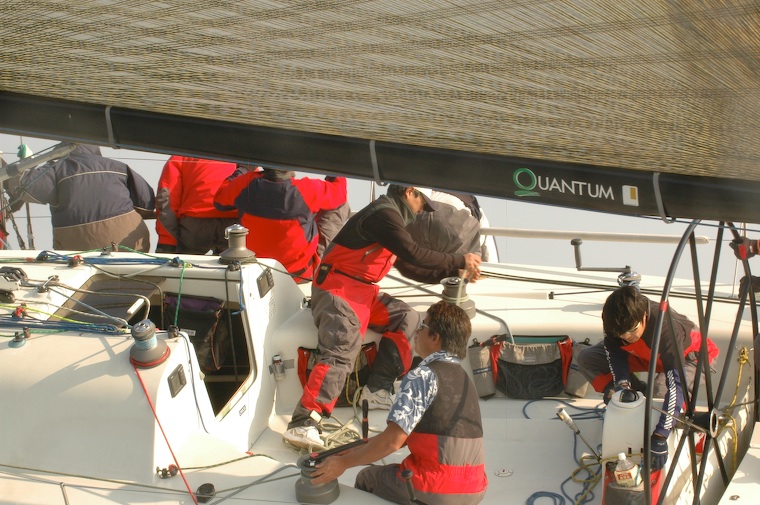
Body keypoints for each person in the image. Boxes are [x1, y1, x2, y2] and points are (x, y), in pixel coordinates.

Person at [282, 184, 481, 449]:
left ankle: (377, 389)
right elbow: (413, 253)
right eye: (422, 202)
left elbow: (410, 266)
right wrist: (459, 259)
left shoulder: (392, 219)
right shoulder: (383, 214)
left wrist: (455, 271)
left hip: (362, 292)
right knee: (342, 350)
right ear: (409, 192)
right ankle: (303, 421)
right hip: (337, 289)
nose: (422, 209)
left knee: (408, 318)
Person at [311, 300, 488, 505]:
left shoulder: (422, 376)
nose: (416, 332)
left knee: (367, 478)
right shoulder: (465, 380)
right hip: (475, 489)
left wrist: (342, 463)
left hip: (436, 488)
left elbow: (392, 442)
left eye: (422, 327)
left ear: (435, 337)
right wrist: (356, 450)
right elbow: (412, 433)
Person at [576, 286, 719, 471]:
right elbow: (616, 357)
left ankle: (683, 426)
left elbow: (675, 386)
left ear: (644, 316)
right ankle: (640, 396)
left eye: (631, 330)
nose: (626, 337)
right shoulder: (616, 326)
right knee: (587, 358)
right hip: (650, 356)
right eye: (620, 334)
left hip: (690, 358)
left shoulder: (666, 329)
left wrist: (660, 436)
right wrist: (622, 387)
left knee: (661, 391)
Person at [7, 144, 155, 251]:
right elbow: (147, 203)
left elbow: (22, 187)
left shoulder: (57, 169)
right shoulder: (119, 167)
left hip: (77, 250)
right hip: (126, 246)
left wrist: (27, 164)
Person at [214, 166, 348, 282]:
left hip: (257, 273)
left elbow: (219, 200)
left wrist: (243, 169)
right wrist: (333, 168)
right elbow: (340, 192)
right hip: (298, 276)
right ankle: (324, 260)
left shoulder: (245, 184)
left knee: (237, 207)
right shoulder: (308, 189)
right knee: (340, 205)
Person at [395, 188, 489, 283]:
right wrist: (464, 263)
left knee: (417, 257)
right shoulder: (471, 200)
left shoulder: (390, 218)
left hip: (415, 216)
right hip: (451, 215)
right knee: (470, 266)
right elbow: (488, 252)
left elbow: (409, 263)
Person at [155, 156, 238, 254]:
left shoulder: (181, 154)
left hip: (195, 223)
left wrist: (166, 243)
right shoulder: (240, 152)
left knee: (186, 261)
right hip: (234, 222)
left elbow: (167, 199)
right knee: (236, 260)